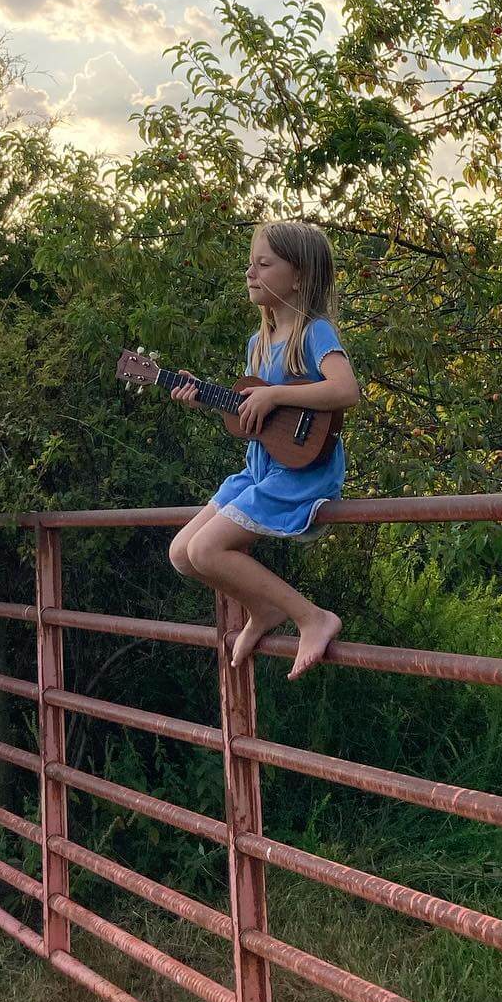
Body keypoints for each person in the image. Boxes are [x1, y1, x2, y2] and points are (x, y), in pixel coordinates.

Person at [168, 220, 359, 679]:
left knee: (208, 550)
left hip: (301, 472)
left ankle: (312, 617)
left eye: (263, 263)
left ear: (299, 276)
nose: (250, 273)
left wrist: (275, 395)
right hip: (262, 468)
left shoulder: (315, 333)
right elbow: (257, 424)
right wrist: (210, 399)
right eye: (249, 264)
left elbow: (346, 390)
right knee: (181, 553)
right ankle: (262, 608)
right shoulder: (258, 344)